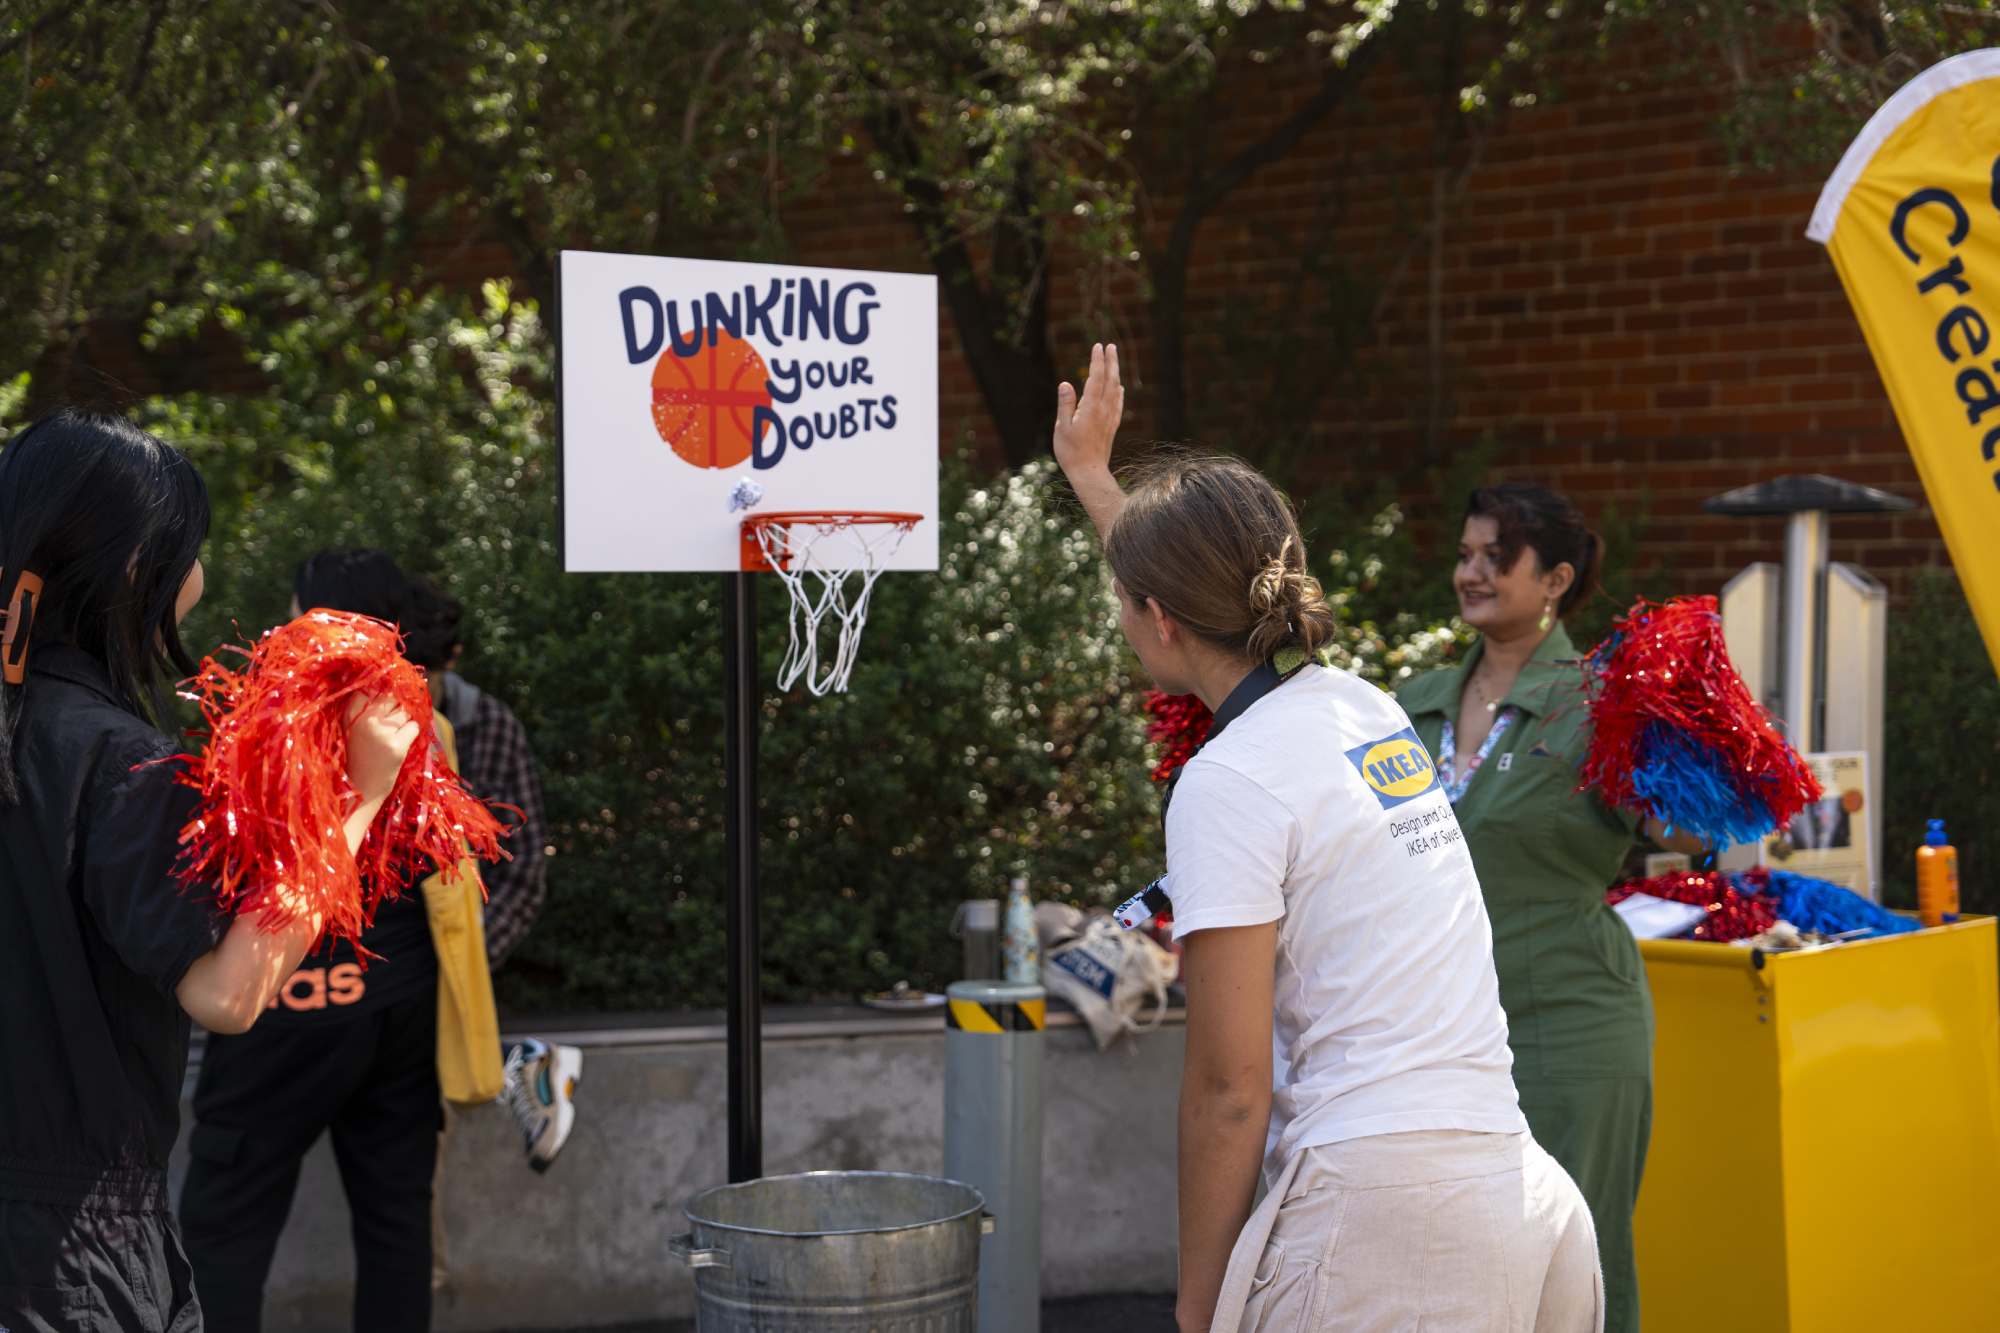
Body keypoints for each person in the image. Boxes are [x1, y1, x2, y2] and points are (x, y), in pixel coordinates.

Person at [1053, 348, 1603, 1333]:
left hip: (1385, 1223)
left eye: (1126, 601)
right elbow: (1192, 606)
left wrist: (1195, 1303)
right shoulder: (1360, 708)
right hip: (1520, 1206)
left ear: (1157, 619)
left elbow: (1227, 1092)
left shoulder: (1227, 779)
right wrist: (1097, 483)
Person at [0, 412, 417, 1333]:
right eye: (192, 547)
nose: (202, 572)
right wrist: (360, 796)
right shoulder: (118, 762)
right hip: (70, 1253)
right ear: (132, 568)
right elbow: (229, 992)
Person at [1395, 484, 1702, 1333]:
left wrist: (1702, 750)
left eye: (1497, 558)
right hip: (1432, 1029)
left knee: (1577, 1269)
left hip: (1569, 1022)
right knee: (1451, 1266)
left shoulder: (1607, 703)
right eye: (1465, 554)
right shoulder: (1410, 702)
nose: (1471, 572)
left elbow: (1686, 827)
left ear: (1557, 578)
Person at [178, 549, 502, 1333]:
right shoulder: (423, 723)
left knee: (225, 1227)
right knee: (395, 1226)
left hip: (281, 1006)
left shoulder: (267, 723)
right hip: (398, 1008)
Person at [403, 576, 577, 1172]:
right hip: (382, 963)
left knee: (423, 1142)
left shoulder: (485, 725)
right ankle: (521, 1064)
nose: (416, 684)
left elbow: (522, 864)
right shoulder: (363, 719)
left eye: (425, 670)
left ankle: (522, 1065)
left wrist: (462, 956)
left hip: (447, 953)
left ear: (450, 660)